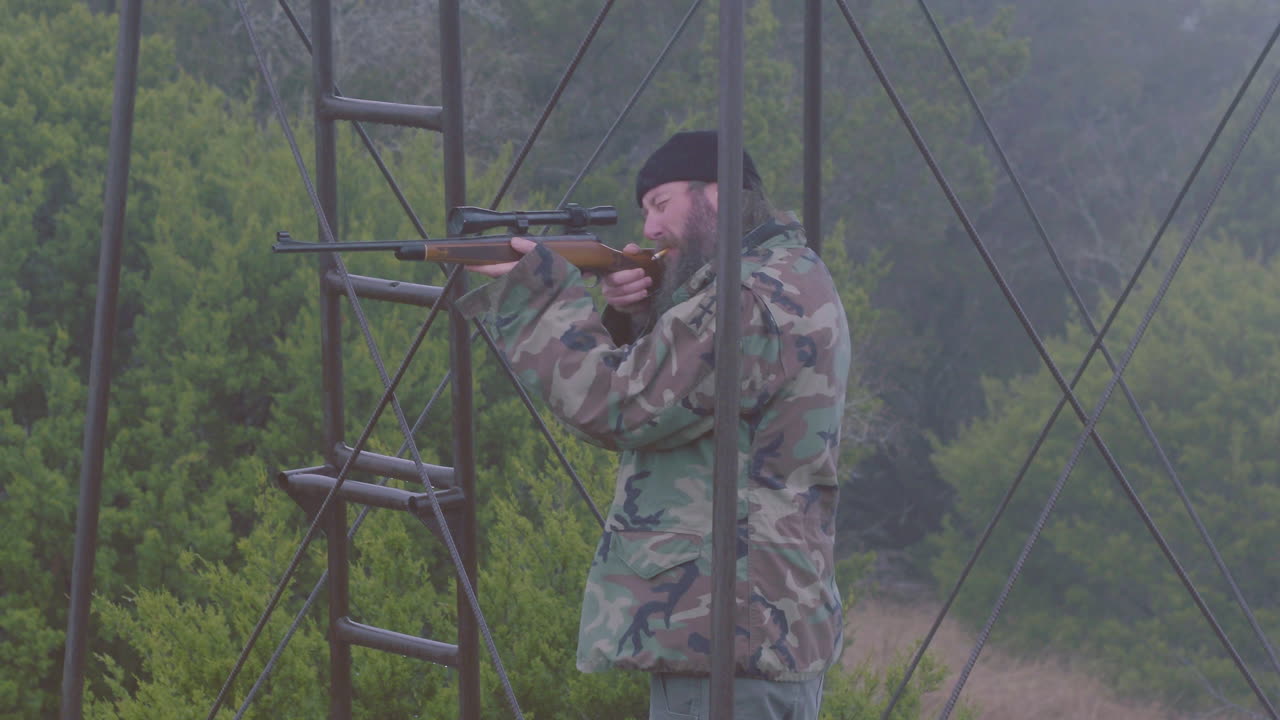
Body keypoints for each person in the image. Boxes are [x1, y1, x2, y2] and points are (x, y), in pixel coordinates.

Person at [456, 130, 851, 720]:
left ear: (716, 192)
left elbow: (619, 404)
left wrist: (538, 294)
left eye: (661, 204)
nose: (651, 230)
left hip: (723, 637)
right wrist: (638, 312)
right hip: (758, 628)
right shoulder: (788, 275)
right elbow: (696, 392)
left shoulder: (743, 297)